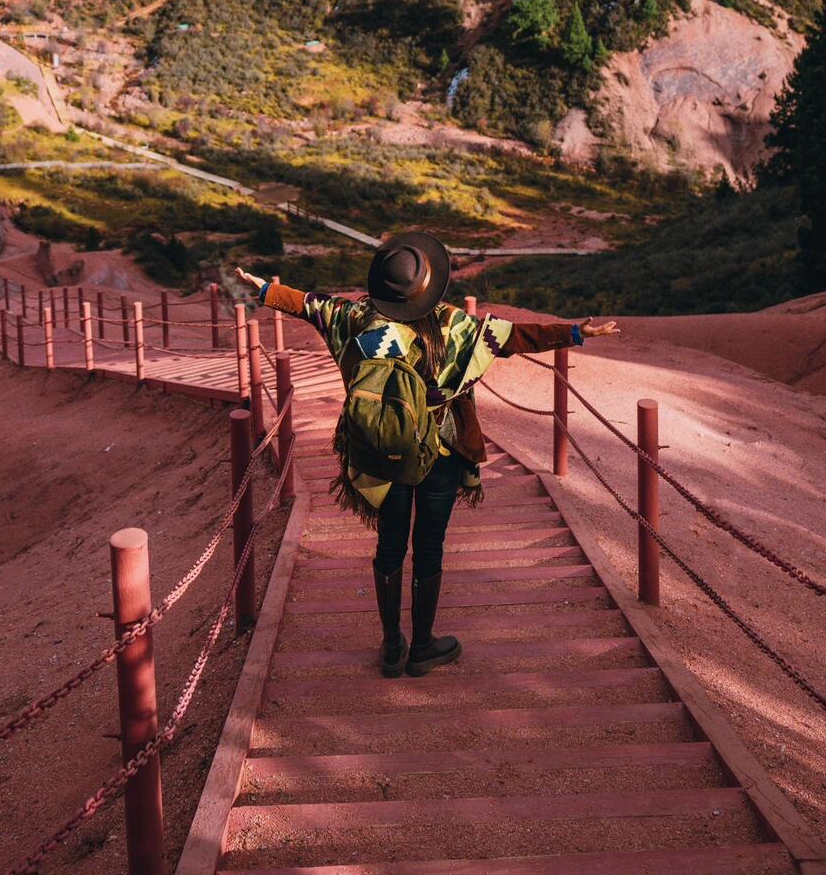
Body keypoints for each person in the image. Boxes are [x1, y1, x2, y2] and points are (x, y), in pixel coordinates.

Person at [235, 230, 620, 678]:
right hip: (441, 450)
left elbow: (309, 304)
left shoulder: (356, 318)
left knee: (389, 544)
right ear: (428, 284)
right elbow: (515, 337)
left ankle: (392, 646)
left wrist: (264, 289)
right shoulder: (455, 327)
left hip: (384, 448)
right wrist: (576, 331)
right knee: (430, 546)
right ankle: (422, 646)